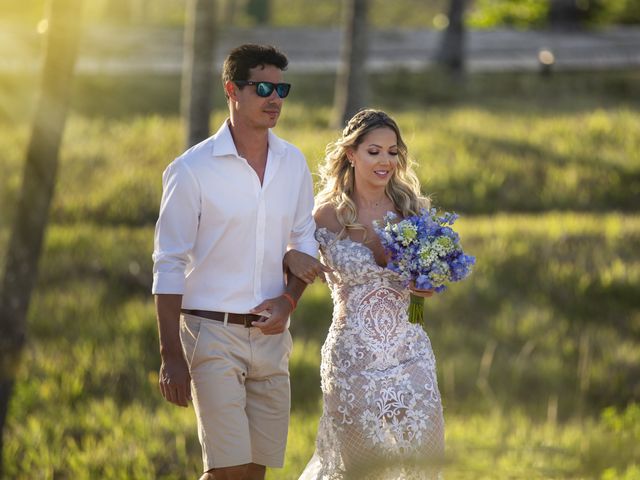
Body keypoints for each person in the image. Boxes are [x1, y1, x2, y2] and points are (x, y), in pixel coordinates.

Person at [152, 44, 327, 480]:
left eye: (282, 88)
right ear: (232, 89)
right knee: (227, 472)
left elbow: (304, 244)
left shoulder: (293, 162)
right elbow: (168, 262)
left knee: (252, 472)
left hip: (272, 339)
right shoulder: (191, 170)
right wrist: (170, 354)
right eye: (263, 87)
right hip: (211, 335)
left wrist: (289, 301)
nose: (275, 99)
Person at [288, 109, 445, 479]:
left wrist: (421, 295)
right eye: (374, 151)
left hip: (412, 358)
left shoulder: (413, 211)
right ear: (351, 154)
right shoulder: (323, 216)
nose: (385, 161)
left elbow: (417, 306)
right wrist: (291, 256)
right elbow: (291, 265)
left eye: (393, 152)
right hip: (352, 363)